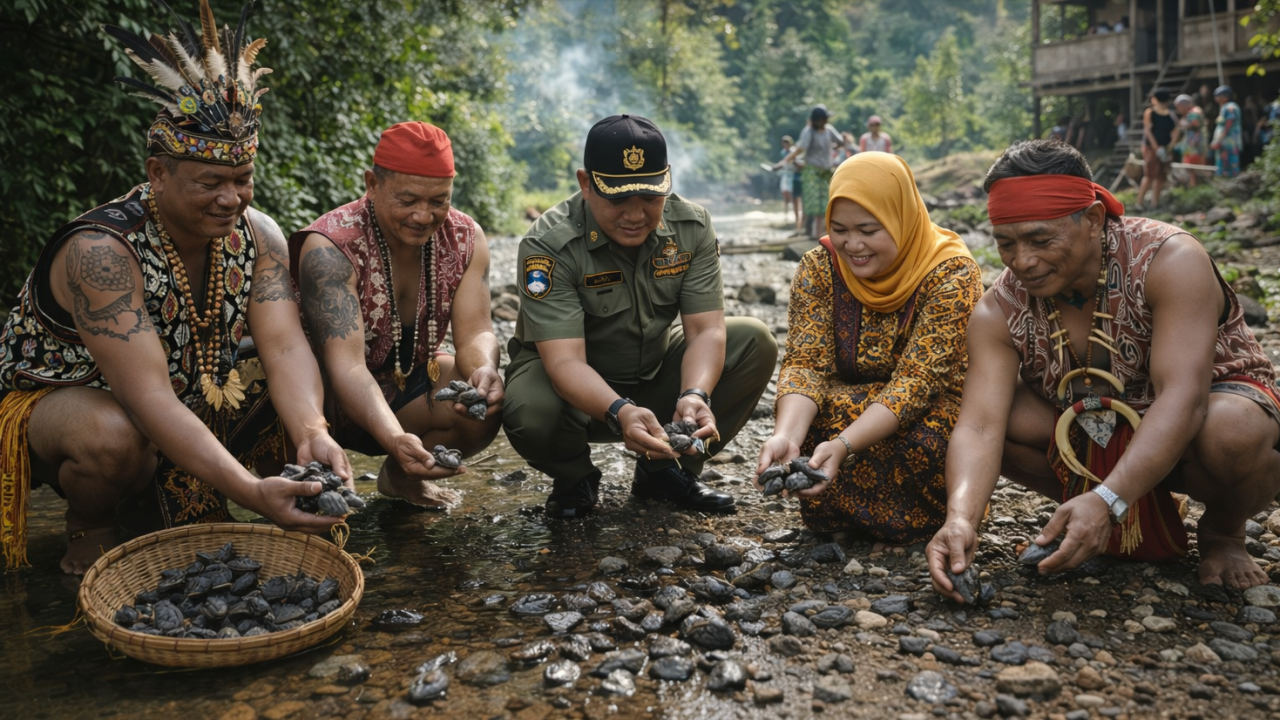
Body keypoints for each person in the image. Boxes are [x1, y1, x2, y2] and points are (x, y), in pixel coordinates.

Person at [0, 0, 351, 574]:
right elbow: (149, 398)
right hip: (68, 402)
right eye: (210, 182)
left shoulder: (258, 235)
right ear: (158, 173)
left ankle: (259, 493)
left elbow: (285, 346)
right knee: (113, 437)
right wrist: (248, 491)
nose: (230, 199)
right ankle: (90, 523)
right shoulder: (101, 254)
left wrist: (313, 430)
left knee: (310, 372)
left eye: (243, 179)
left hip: (182, 389)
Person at [927, 140, 1280, 597]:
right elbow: (979, 427)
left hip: (1197, 419)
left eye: (1040, 240)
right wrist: (960, 519)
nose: (1023, 261)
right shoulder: (999, 308)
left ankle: (1222, 532)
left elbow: (1183, 397)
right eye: (1006, 244)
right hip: (1093, 427)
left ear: (1093, 220)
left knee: (1234, 431)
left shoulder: (1169, 260)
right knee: (983, 418)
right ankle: (1110, 510)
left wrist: (1109, 498)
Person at [503, 114, 777, 518]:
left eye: (650, 197)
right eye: (617, 199)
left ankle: (666, 472)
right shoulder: (549, 245)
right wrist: (621, 411)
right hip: (569, 388)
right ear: (585, 183)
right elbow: (564, 362)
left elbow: (706, 331)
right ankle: (574, 477)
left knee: (754, 341)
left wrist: (694, 394)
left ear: (667, 181)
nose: (635, 215)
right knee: (528, 411)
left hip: (653, 369)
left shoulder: (692, 227)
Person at [757, 153, 982, 547]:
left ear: (901, 218)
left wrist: (844, 444)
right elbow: (806, 363)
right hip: (848, 403)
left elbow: (918, 382)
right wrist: (786, 435)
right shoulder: (819, 266)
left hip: (926, 409)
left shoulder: (951, 273)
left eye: (868, 230)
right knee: (815, 419)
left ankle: (931, 524)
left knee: (930, 431)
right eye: (840, 229)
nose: (853, 245)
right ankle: (836, 518)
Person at [289, 123, 502, 508]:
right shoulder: (331, 246)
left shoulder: (466, 237)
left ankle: (402, 478)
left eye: (439, 201)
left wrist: (485, 371)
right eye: (407, 200)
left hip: (408, 385)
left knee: (479, 403)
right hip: (325, 402)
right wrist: (394, 438)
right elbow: (347, 366)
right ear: (372, 184)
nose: (423, 216)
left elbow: (476, 332)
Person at [776, 105, 850, 239]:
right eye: (823, 119)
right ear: (817, 120)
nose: (825, 121)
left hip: (826, 170)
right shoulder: (809, 132)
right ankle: (815, 234)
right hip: (812, 171)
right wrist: (783, 162)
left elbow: (840, 142)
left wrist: (832, 148)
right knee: (815, 203)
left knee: (828, 201)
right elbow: (799, 149)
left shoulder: (829, 130)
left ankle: (826, 232)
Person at [1137, 89, 1176, 209]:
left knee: (1160, 176)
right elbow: (1148, 131)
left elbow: (1176, 130)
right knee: (1149, 175)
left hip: (1165, 148)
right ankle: (1139, 203)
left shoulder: (1170, 115)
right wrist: (1156, 148)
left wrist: (1169, 147)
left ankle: (1155, 203)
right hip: (1151, 147)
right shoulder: (1150, 112)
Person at [1173, 94, 1208, 187]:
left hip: (1195, 144)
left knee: (1192, 166)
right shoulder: (1191, 112)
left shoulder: (1194, 112)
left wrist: (1179, 123)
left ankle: (1195, 186)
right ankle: (1193, 186)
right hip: (1192, 144)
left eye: (1178, 107)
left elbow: (1193, 124)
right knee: (1190, 167)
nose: (1178, 110)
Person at [1211, 85, 1242, 178]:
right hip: (1224, 142)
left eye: (1218, 95)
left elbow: (1228, 124)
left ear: (1225, 96)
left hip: (1229, 142)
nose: (1216, 98)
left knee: (1230, 163)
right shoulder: (1224, 107)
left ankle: (1232, 181)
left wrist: (1219, 140)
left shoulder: (1230, 107)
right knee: (1223, 163)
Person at [778, 135, 802, 231]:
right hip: (785, 175)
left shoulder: (793, 151)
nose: (785, 144)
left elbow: (796, 162)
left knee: (794, 197)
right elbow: (783, 162)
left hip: (793, 176)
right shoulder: (783, 152)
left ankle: (797, 218)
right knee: (785, 196)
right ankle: (786, 214)